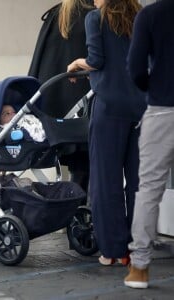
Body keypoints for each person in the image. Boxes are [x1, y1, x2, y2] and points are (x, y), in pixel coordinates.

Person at [67, 0, 147, 265]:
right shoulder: (141, 16)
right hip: (141, 108)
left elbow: (96, 60)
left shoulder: (96, 19)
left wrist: (77, 63)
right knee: (138, 183)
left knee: (105, 181)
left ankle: (114, 250)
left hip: (109, 109)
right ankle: (135, 249)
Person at [124, 0, 174, 289]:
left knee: (150, 189)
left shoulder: (150, 15)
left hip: (162, 109)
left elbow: (135, 68)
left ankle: (140, 269)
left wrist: (153, 87)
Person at [28, 0, 94, 191]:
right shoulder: (95, 15)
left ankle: (74, 211)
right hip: (84, 105)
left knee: (77, 167)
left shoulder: (57, 16)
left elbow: (38, 65)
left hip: (56, 105)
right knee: (85, 166)